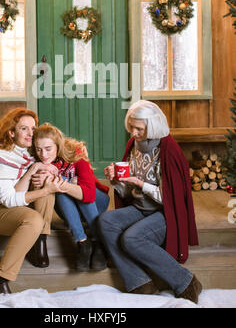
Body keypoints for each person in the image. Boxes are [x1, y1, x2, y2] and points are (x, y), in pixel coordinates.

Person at [97, 100, 203, 304]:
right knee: (106, 221)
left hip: (164, 214)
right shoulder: (132, 145)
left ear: (152, 126)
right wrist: (116, 181)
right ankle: (140, 282)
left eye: (139, 128)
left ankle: (186, 281)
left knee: (131, 238)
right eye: (132, 127)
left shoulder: (168, 149)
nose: (134, 132)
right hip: (138, 207)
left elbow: (171, 199)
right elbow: (127, 192)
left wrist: (139, 182)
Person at [0, 108, 61, 295]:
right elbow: (8, 199)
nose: (31, 133)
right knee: (34, 219)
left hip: (17, 200)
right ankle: (0, 278)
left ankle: (39, 241)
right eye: (24, 129)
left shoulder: (30, 149)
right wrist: (44, 186)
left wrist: (43, 169)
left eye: (33, 128)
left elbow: (58, 143)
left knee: (44, 176)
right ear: (11, 132)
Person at [31, 123, 110, 272]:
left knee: (61, 185)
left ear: (58, 145)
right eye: (39, 149)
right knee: (60, 189)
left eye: (48, 149)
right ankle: (82, 243)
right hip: (69, 208)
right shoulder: (38, 162)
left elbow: (89, 195)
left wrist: (59, 180)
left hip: (96, 202)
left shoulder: (75, 153)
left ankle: (98, 241)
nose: (44, 155)